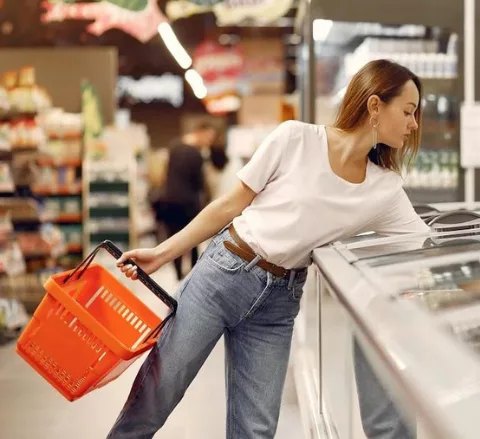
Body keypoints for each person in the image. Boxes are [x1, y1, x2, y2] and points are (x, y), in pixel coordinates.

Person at [107, 59, 428, 439]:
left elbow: (424, 247)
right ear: (375, 105)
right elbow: (230, 205)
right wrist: (163, 252)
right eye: (408, 111)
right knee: (155, 398)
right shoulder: (295, 138)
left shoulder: (384, 189)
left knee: (255, 431)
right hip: (224, 273)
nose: (414, 125)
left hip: (279, 303)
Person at [157, 121, 217, 280]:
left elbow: (165, 174)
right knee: (192, 239)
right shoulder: (196, 154)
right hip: (188, 203)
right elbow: (199, 183)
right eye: (208, 138)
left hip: (169, 200)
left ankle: (178, 275)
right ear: (200, 132)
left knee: (174, 237)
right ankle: (192, 276)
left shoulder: (174, 147)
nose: (208, 142)